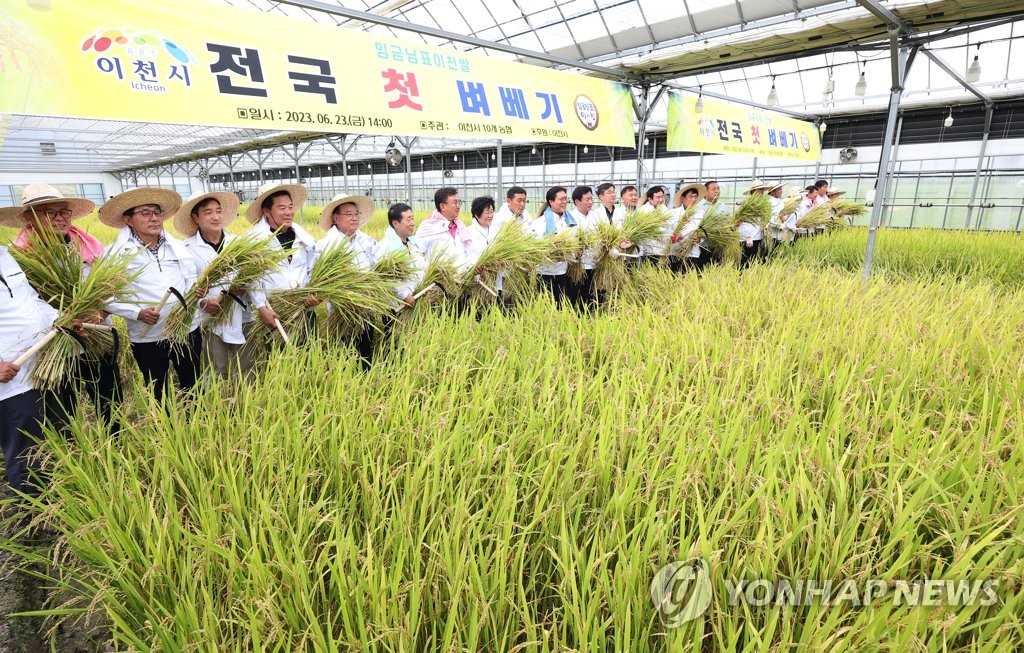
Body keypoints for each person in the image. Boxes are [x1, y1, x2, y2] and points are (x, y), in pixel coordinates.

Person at [0, 183, 122, 431]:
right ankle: (74, 450)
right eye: (49, 212)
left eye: (64, 212)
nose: (60, 218)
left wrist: (101, 312)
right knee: (62, 403)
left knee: (108, 395)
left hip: (95, 334)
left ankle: (115, 439)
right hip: (52, 344)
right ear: (29, 218)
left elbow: (112, 287)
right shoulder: (18, 257)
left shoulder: (88, 246)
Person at [99, 188, 202, 402]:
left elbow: (190, 278)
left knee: (192, 383)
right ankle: (165, 430)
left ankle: (197, 425)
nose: (154, 218)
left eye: (157, 212)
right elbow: (104, 295)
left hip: (184, 329)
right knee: (158, 389)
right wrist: (137, 313)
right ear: (128, 220)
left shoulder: (178, 248)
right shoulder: (115, 254)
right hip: (148, 335)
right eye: (145, 213)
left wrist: (195, 293)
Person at [0, 244, 66, 494]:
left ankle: (57, 505)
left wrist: (61, 320)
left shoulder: (6, 257)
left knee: (49, 443)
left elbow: (33, 302)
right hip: (10, 385)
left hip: (39, 369)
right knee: (25, 455)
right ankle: (34, 522)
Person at [173, 190, 257, 379]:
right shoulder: (185, 249)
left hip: (241, 313)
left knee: (247, 367)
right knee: (215, 369)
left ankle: (248, 404)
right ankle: (216, 407)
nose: (215, 216)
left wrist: (244, 286)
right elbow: (186, 285)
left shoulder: (239, 244)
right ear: (195, 217)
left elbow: (253, 275)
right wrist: (202, 302)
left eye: (218, 211)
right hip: (209, 319)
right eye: (208, 212)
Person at [245, 182, 319, 340]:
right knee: (280, 360)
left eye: (290, 207)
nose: (288, 212)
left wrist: (313, 292)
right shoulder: (255, 240)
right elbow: (251, 278)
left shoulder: (304, 237)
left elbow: (312, 267)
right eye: (281, 208)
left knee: (310, 355)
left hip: (304, 308)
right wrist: (261, 307)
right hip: (275, 312)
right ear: (266, 211)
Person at [316, 193, 379, 367]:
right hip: (343, 313)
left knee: (366, 353)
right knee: (346, 356)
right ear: (336, 218)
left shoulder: (365, 241)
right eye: (349, 214)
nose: (354, 218)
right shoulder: (325, 246)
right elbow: (324, 281)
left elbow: (376, 266)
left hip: (367, 308)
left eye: (356, 214)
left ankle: (366, 385)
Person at [527, 186, 571, 309]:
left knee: (562, 307)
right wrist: (553, 251)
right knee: (547, 308)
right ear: (551, 202)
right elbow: (533, 246)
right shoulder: (540, 222)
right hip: (545, 273)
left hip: (563, 271)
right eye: (561, 199)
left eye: (565, 199)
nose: (564, 202)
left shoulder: (568, 220)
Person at [414, 187, 475, 274]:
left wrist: (472, 266)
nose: (458, 206)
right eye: (455, 202)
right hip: (439, 283)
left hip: (462, 281)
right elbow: (415, 253)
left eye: (459, 202)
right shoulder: (427, 227)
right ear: (442, 206)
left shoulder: (461, 228)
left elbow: (468, 252)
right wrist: (429, 269)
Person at [378, 202, 425, 308]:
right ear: (396, 224)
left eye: (413, 219)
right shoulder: (386, 247)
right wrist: (404, 295)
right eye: (409, 220)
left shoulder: (413, 243)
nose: (412, 223)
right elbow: (387, 277)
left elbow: (420, 266)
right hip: (397, 306)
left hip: (417, 298)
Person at [567, 186, 596, 309]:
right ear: (577, 201)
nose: (590, 202)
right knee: (575, 296)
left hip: (594, 263)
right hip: (576, 265)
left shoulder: (596, 215)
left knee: (590, 296)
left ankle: (590, 321)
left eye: (591, 199)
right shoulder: (569, 217)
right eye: (587, 199)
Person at [671, 182, 708, 273]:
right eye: (691, 196)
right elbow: (668, 231)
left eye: (695, 197)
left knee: (688, 280)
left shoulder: (701, 213)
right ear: (683, 198)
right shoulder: (673, 213)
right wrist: (674, 237)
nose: (694, 199)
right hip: (675, 252)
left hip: (692, 253)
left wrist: (700, 240)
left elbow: (705, 232)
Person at [636, 185, 671, 266]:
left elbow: (668, 226)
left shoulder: (665, 209)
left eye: (662, 197)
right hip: (648, 249)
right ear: (650, 199)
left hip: (662, 248)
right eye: (658, 197)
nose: (661, 200)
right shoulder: (643, 210)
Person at [739, 180, 769, 268]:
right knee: (745, 261)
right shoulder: (747, 203)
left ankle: (750, 278)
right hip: (748, 238)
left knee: (753, 260)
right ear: (754, 191)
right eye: (760, 190)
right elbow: (741, 221)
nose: (762, 192)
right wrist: (747, 236)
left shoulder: (762, 203)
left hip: (757, 236)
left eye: (763, 189)